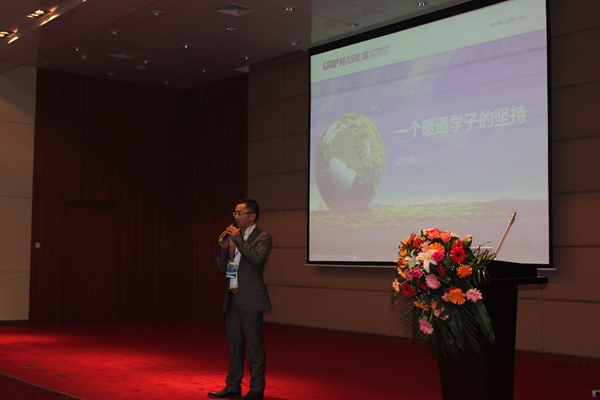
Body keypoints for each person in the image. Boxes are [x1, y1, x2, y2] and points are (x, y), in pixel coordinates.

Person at [208, 199, 272, 400]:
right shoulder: (234, 238)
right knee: (234, 346)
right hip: (232, 298)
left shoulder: (263, 237)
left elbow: (256, 259)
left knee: (254, 346)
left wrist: (238, 240)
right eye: (234, 213)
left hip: (251, 300)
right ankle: (233, 386)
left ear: (252, 216)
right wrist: (223, 247)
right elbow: (222, 267)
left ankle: (256, 390)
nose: (235, 217)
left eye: (239, 213)